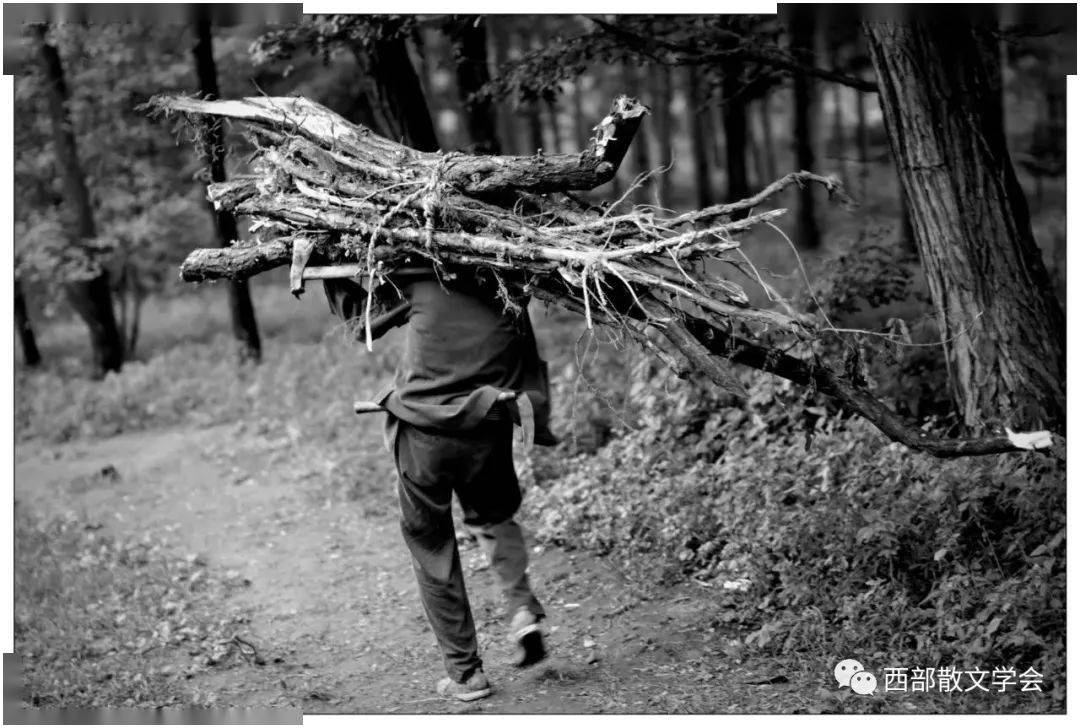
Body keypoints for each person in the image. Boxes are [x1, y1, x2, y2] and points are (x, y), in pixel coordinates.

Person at [323, 264, 557, 702]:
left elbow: (361, 322)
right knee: (494, 517)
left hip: (424, 434)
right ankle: (522, 607)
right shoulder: (510, 284)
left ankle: (466, 674)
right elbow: (525, 358)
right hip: (488, 427)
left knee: (432, 546)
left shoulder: (420, 278)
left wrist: (328, 275)